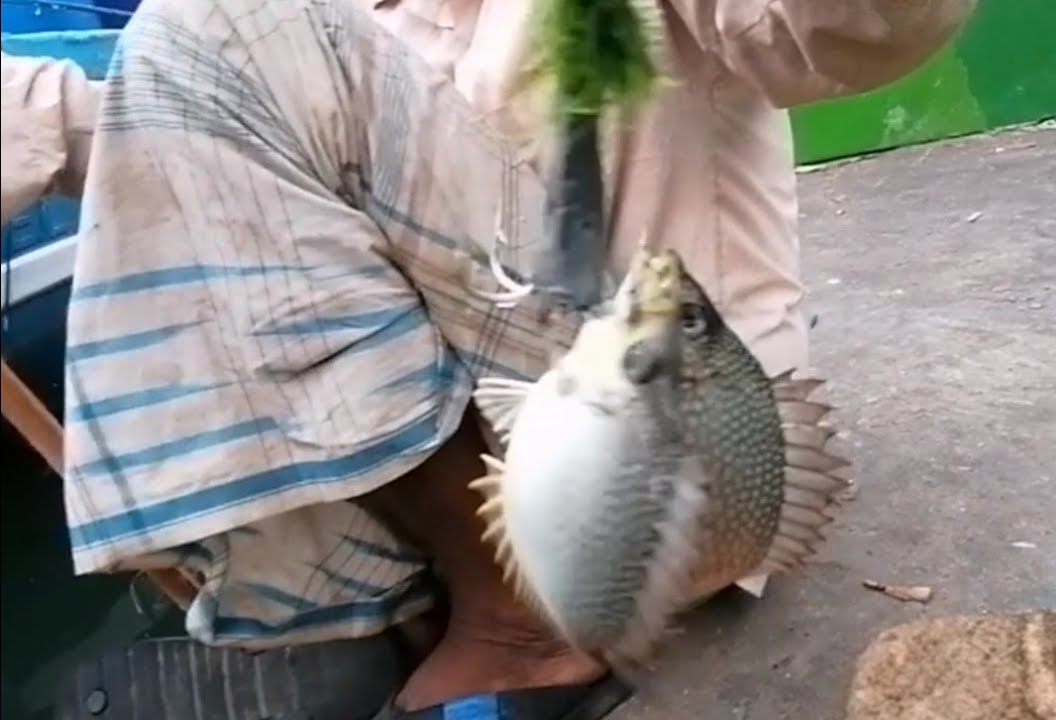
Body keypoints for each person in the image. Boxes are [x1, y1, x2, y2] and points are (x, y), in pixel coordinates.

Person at [1, 0, 971, 716]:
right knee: (199, 53)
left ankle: (517, 626)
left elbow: (848, 26)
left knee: (207, 22)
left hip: (659, 477)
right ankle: (393, 608)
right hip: (525, 457)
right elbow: (183, 108)